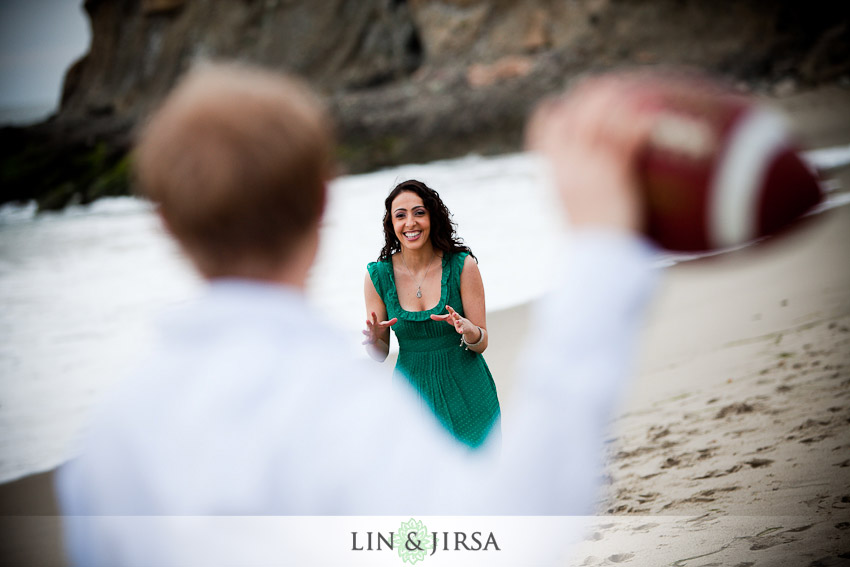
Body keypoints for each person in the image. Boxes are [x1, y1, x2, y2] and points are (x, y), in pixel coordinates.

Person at [55, 62, 661, 565]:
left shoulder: (109, 437)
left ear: (165, 221)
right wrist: (602, 252)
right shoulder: (347, 405)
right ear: (324, 199)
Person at [362, 179, 500, 448]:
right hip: (412, 401)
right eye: (400, 215)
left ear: (432, 217)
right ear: (391, 224)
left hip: (468, 391)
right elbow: (379, 354)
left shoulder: (462, 266)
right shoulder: (377, 276)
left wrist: (469, 331)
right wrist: (375, 339)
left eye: (419, 212)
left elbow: (481, 342)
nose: (410, 222)